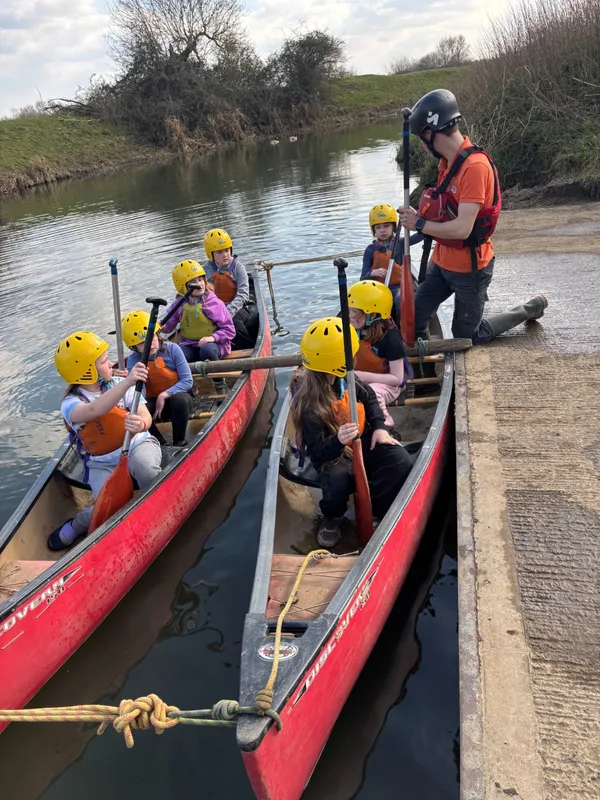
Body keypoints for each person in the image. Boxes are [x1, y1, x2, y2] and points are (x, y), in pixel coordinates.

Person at [398, 88, 547, 343]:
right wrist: (418, 216)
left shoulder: (475, 167)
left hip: (471, 268)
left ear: (429, 133)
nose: (422, 147)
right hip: (443, 263)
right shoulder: (447, 162)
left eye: (422, 140)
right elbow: (444, 211)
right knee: (412, 319)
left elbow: (462, 229)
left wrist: (420, 224)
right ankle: (422, 365)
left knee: (467, 337)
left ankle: (530, 308)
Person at [290, 316, 413, 548]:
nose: (355, 357)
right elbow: (316, 452)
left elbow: (370, 400)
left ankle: (376, 508)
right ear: (338, 361)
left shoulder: (347, 378)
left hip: (362, 439)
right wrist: (337, 441)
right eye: (351, 353)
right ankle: (333, 517)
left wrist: (378, 428)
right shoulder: (309, 403)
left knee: (400, 461)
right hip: (333, 452)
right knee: (337, 481)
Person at [48, 330, 162, 551]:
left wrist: (142, 424)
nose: (110, 364)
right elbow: (95, 409)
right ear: (87, 371)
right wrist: (128, 380)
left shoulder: (118, 382)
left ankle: (159, 508)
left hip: (138, 445)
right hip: (102, 462)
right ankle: (79, 523)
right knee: (108, 506)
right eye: (103, 361)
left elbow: (144, 413)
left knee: (147, 469)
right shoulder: (71, 404)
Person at [122, 309, 193, 447]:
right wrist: (138, 408)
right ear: (134, 346)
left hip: (178, 401)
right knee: (136, 410)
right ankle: (159, 442)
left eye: (152, 338)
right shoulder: (133, 361)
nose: (151, 344)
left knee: (180, 400)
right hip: (155, 406)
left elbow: (187, 381)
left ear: (158, 335)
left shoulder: (173, 349)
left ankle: (179, 441)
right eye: (142, 343)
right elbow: (138, 390)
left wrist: (164, 395)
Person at [348, 280, 411, 429]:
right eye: (349, 310)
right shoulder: (348, 324)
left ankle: (385, 423)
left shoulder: (390, 337)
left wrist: (361, 376)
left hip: (387, 384)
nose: (350, 316)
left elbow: (397, 378)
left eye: (356, 312)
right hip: (355, 378)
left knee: (372, 392)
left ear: (373, 314)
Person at [161, 259, 235, 363]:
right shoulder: (179, 304)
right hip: (189, 344)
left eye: (200, 280)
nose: (199, 285)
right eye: (192, 282)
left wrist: (212, 338)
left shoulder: (214, 303)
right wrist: (159, 326)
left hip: (214, 344)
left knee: (206, 352)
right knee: (178, 356)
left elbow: (229, 330)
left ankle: (218, 378)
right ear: (183, 286)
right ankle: (187, 378)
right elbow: (169, 326)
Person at [361, 203, 423, 325]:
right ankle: (378, 329)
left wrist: (414, 214)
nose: (382, 230)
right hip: (378, 288)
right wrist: (372, 273)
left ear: (393, 227)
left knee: (400, 298)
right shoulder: (370, 250)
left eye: (386, 226)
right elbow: (363, 277)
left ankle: (401, 326)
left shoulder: (400, 243)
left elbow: (421, 234)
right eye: (378, 227)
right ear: (373, 230)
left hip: (398, 287)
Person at [202, 228, 259, 350]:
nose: (225, 255)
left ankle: (249, 349)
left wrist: (228, 312)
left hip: (237, 308)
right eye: (220, 252)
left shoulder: (238, 267)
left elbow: (243, 294)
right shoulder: (205, 271)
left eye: (227, 250)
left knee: (233, 322)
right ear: (211, 254)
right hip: (215, 309)